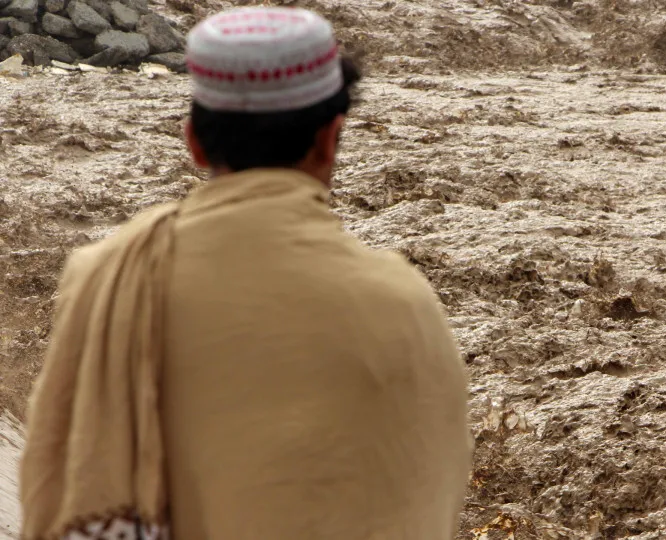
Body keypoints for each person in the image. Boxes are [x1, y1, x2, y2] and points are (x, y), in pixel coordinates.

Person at [19, 7, 472, 539]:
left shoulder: (107, 275)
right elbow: (424, 492)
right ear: (331, 138)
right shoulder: (405, 304)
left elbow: (57, 475)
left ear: (194, 141)